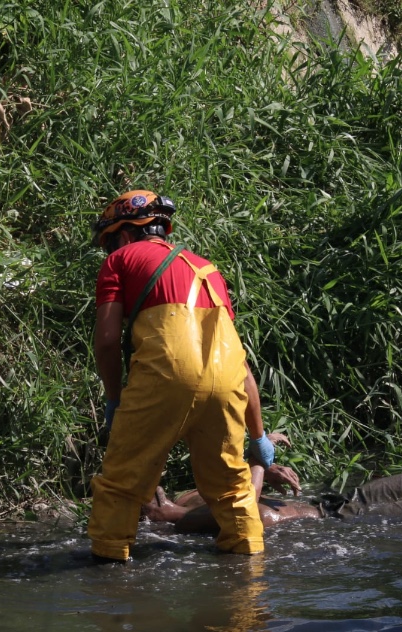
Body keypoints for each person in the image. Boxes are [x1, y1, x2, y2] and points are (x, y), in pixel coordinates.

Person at [88, 189, 276, 562]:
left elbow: (107, 342)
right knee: (232, 490)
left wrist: (113, 398)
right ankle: (248, 586)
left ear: (123, 236)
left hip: (166, 375)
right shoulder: (208, 270)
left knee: (122, 484)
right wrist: (258, 437)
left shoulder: (120, 259)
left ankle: (107, 576)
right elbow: (241, 366)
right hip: (226, 383)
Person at [142, 462, 402, 534]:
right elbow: (248, 510)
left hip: (331, 503)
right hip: (336, 521)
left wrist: (259, 467)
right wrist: (260, 460)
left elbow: (237, 489)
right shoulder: (180, 516)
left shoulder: (188, 497)